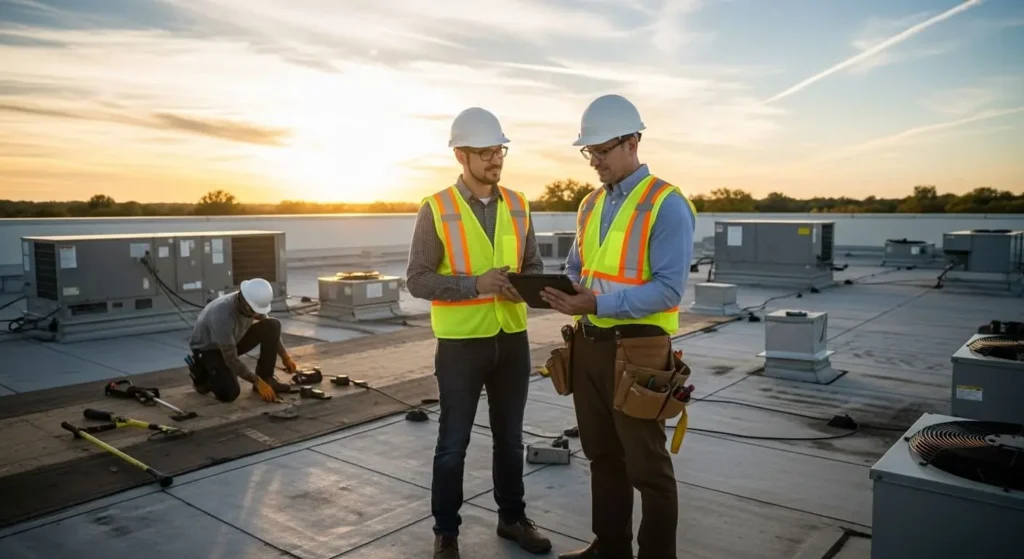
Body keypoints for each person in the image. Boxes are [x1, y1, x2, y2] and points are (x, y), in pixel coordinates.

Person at [540, 94, 697, 559]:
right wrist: (565, 291)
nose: (594, 160)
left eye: (602, 150)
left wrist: (598, 302)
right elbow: (578, 267)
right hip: (588, 344)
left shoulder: (667, 204)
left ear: (633, 142)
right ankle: (609, 547)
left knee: (647, 468)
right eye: (589, 152)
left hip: (640, 350)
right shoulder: (590, 204)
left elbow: (668, 290)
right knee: (602, 455)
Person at [406, 107, 552, 559]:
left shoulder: (519, 204)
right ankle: (446, 533)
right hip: (461, 344)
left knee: (510, 439)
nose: (495, 159)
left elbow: (533, 265)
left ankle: (512, 518)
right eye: (485, 152)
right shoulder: (436, 208)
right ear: (461, 155)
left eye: (499, 150)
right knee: (453, 443)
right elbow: (417, 280)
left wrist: (522, 287)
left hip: (511, 337)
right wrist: (475, 285)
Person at [187, 278, 298, 403]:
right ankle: (203, 377)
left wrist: (285, 357)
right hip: (209, 350)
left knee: (272, 325)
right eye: (255, 311)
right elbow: (231, 359)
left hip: (232, 341)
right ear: (246, 305)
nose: (257, 315)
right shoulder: (223, 316)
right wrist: (257, 381)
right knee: (230, 393)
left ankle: (267, 378)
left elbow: (268, 325)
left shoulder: (250, 301)